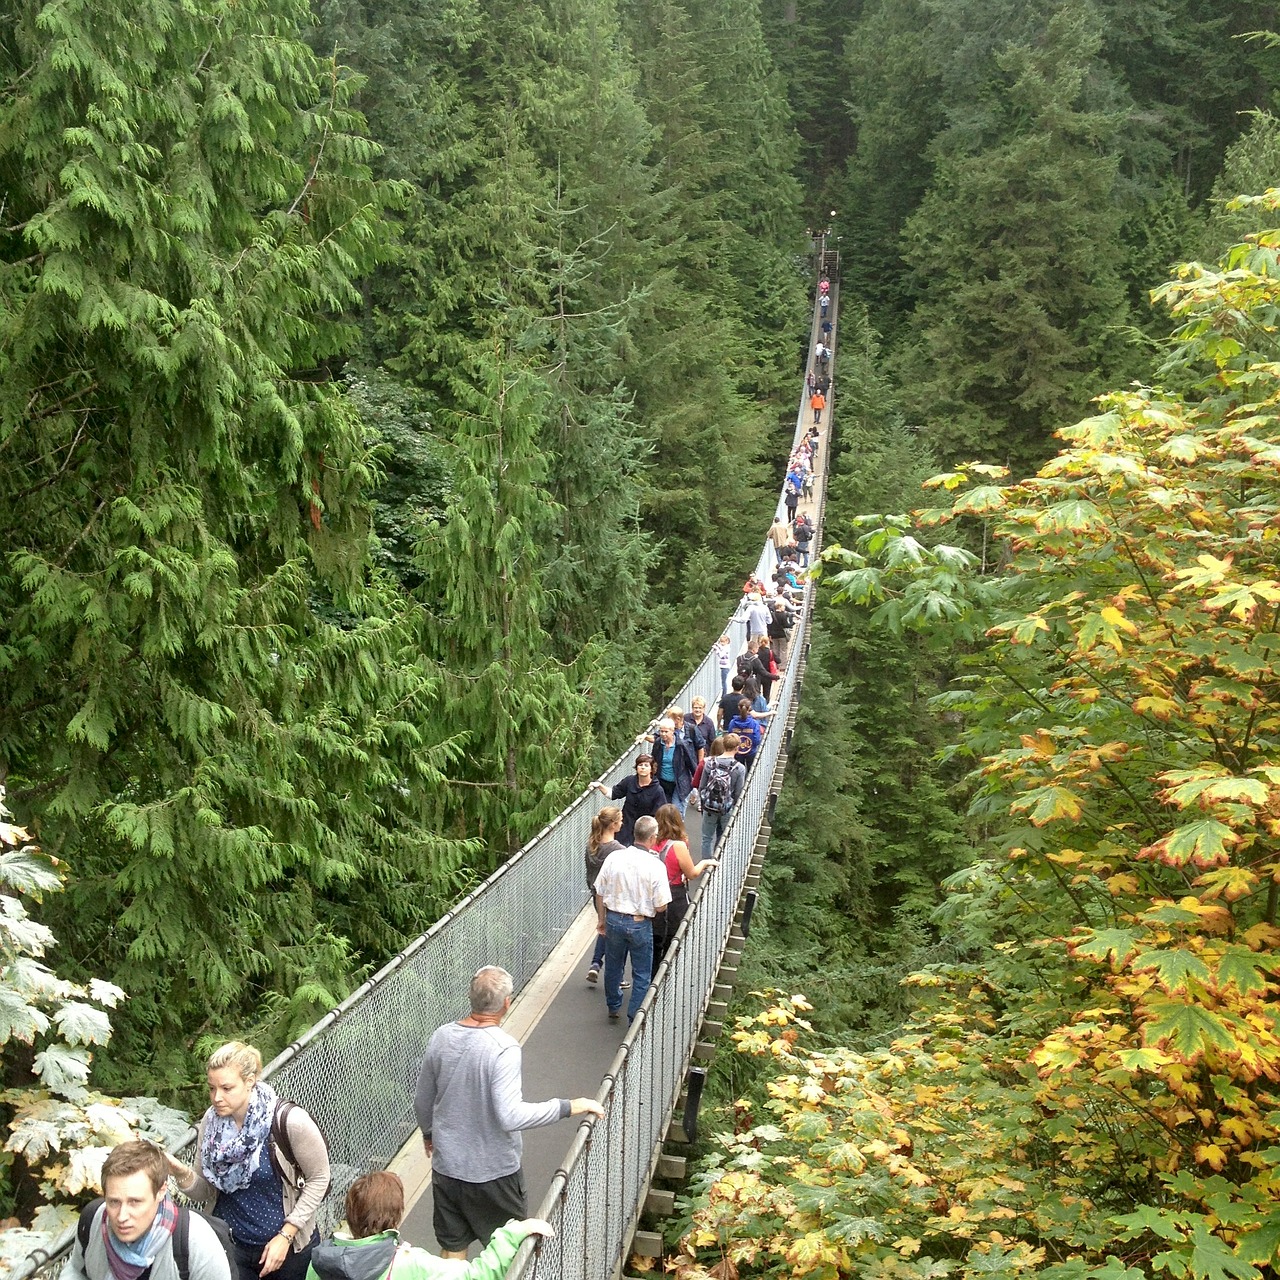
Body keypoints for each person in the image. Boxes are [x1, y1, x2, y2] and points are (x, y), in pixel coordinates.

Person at [413, 967, 604, 1258]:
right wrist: (567, 1107)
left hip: (447, 1168)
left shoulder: (441, 1037)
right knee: (510, 1252)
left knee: (453, 1250)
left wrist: (429, 1133)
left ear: (471, 998)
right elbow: (510, 1116)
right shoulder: (503, 1048)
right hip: (494, 1174)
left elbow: (422, 1100)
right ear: (506, 1003)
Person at [167, 1043, 329, 1280]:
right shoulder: (210, 1124)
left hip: (287, 1250)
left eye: (226, 1088)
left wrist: (287, 1235)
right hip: (231, 1248)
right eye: (211, 1088)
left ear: (250, 1081)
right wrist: (180, 1172)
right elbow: (205, 1192)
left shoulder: (288, 1120)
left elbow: (320, 1177)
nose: (216, 1098)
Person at [308, 1172, 552, 1280]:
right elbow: (477, 1275)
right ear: (395, 1217)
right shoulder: (408, 1263)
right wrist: (514, 1232)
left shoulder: (319, 1263)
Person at [70, 1140, 232, 1280]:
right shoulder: (93, 1220)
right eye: (114, 1202)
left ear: (161, 1191)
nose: (122, 1216)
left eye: (135, 1202)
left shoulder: (196, 1241)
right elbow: (75, 1270)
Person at [594, 815, 670, 1024]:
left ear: (635, 833)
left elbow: (599, 890)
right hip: (639, 923)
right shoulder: (656, 865)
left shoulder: (615, 857)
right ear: (653, 837)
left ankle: (613, 1005)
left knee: (613, 965)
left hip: (614, 920)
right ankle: (633, 1018)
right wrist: (646, 909)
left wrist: (602, 919)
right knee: (642, 973)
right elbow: (662, 905)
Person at [650, 806, 717, 977]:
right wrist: (705, 862)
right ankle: (666, 978)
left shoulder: (651, 841)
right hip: (674, 895)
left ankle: (651, 977)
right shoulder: (678, 845)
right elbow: (692, 873)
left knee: (654, 940)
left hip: (652, 895)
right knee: (674, 936)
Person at [584, 806, 624, 984]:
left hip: (596, 894)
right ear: (613, 825)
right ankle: (616, 976)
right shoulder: (618, 850)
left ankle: (595, 964)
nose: (622, 823)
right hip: (613, 896)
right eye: (620, 821)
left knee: (605, 928)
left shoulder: (591, 844)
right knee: (617, 936)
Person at [589, 755, 665, 846]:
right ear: (636, 767)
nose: (643, 768)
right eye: (640, 765)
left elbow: (660, 816)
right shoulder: (629, 781)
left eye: (646, 765)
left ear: (652, 769)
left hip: (643, 831)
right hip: (625, 827)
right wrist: (600, 786)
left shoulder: (657, 790)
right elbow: (613, 794)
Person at [698, 737, 746, 859]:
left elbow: (702, 786)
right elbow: (738, 793)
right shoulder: (739, 768)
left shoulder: (710, 763)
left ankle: (706, 866)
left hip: (709, 806)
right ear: (737, 748)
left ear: (723, 745)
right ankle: (717, 865)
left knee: (706, 838)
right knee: (724, 838)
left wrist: (705, 802)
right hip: (727, 807)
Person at [650, 718, 696, 814]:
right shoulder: (658, 743)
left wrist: (697, 783)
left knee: (676, 811)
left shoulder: (682, 745)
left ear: (673, 731)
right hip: (662, 783)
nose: (663, 734)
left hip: (679, 784)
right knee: (663, 811)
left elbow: (691, 764)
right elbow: (653, 761)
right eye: (661, 731)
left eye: (666, 731)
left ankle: (678, 829)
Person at [727, 698, 763, 773]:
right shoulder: (754, 723)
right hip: (751, 752)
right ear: (749, 708)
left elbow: (730, 736)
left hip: (737, 752)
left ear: (738, 708)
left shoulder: (733, 723)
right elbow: (757, 740)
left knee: (738, 771)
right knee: (751, 772)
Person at [685, 696, 716, 762]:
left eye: (700, 708)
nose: (698, 710)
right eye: (695, 707)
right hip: (688, 755)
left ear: (704, 709)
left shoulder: (709, 722)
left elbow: (712, 741)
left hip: (704, 755)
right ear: (692, 708)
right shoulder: (685, 719)